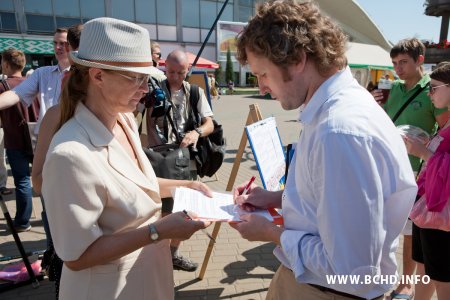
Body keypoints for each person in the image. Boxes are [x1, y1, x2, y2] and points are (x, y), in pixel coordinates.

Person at [231, 1, 417, 299]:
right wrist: (276, 198)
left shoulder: (338, 131)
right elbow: (328, 198)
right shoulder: (336, 110)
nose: (262, 87)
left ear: (297, 60)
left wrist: (269, 233)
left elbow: (352, 268)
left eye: (263, 74)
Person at [41, 17, 211, 299]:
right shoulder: (68, 155)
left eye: (148, 78)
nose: (146, 89)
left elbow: (134, 182)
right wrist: (158, 230)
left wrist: (183, 187)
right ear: (97, 76)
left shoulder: (123, 119)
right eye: (137, 79)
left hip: (146, 282)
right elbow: (77, 256)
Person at [371, 38, 449, 300]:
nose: (398, 69)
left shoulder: (433, 88)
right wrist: (376, 104)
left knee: (410, 229)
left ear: (419, 60)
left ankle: (406, 283)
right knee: (388, 223)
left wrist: (426, 152)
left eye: (403, 62)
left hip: (420, 174)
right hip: (389, 166)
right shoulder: (392, 88)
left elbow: (443, 127)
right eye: (394, 63)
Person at [145, 49, 214, 272]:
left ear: (188, 70)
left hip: (185, 161)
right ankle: (159, 255)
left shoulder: (195, 92)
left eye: (180, 72)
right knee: (163, 212)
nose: (175, 77)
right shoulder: (152, 89)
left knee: (183, 211)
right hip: (159, 160)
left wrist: (196, 133)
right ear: (164, 68)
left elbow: (209, 123)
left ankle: (172, 254)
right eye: (171, 72)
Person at [31, 23, 83, 299]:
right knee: (63, 260)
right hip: (68, 222)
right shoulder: (58, 110)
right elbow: (38, 182)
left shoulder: (118, 117)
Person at [404, 62, 450, 300]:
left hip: (442, 215)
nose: (429, 93)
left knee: (442, 279)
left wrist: (423, 153)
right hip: (430, 207)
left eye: (434, 88)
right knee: (425, 268)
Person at [0, 28, 70, 134]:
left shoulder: (82, 75)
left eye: (62, 43)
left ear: (72, 46)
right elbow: (15, 93)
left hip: (71, 138)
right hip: (45, 138)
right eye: (55, 43)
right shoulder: (41, 73)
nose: (57, 47)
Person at [0, 49, 38, 232]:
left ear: (7, 64)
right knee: (43, 179)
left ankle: (23, 222)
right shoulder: (34, 83)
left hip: (14, 140)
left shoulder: (3, 86)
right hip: (37, 138)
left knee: (22, 181)